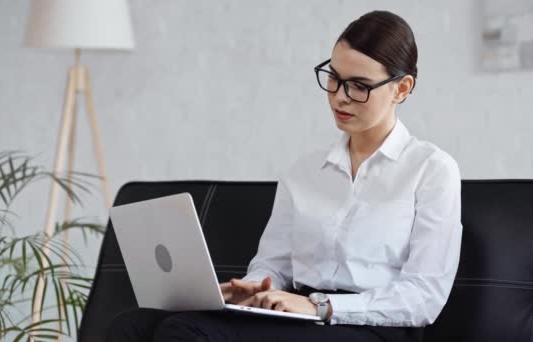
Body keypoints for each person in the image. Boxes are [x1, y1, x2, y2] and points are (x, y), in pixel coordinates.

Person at [107, 9, 462, 342]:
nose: (340, 97)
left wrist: (322, 307)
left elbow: (424, 296)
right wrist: (253, 287)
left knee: (185, 332)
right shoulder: (305, 171)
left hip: (370, 325)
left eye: (359, 86)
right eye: (334, 79)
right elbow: (273, 263)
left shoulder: (431, 170)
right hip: (297, 313)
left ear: (401, 88)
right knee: (130, 325)